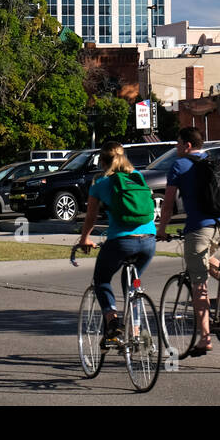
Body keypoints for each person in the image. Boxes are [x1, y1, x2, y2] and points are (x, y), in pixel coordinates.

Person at [156, 126, 220, 356]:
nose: (176, 147)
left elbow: (167, 204)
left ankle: (204, 338)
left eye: (178, 143)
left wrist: (162, 229)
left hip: (199, 229)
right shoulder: (214, 161)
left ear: (187, 145)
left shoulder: (179, 165)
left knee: (199, 283)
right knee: (206, 261)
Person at [76, 141, 156, 341]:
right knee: (133, 284)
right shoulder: (138, 178)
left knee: (102, 279)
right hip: (148, 241)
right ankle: (136, 332)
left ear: (102, 161)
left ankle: (112, 322)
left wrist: (84, 238)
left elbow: (91, 217)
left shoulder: (101, 184)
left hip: (121, 243)